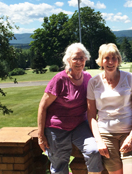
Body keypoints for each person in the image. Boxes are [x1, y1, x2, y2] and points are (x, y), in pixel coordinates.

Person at [37, 43, 103, 174]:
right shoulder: (59, 79)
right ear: (68, 60)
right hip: (57, 128)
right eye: (75, 58)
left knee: (94, 151)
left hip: (80, 125)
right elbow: (42, 106)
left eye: (82, 58)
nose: (79, 61)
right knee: (60, 165)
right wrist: (40, 135)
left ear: (86, 59)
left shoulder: (88, 78)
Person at [87, 43, 132, 174]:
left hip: (131, 133)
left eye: (114, 58)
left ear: (118, 60)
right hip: (107, 135)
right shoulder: (94, 82)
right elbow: (91, 115)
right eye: (106, 58)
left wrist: (131, 136)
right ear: (101, 61)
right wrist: (99, 141)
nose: (110, 62)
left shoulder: (130, 78)